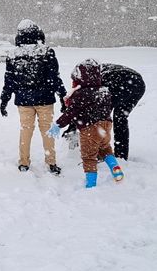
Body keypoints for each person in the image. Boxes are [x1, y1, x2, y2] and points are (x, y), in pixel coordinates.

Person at [0, 20, 66, 174]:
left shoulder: (13, 54)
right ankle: (51, 163)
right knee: (48, 131)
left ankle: (24, 162)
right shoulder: (46, 51)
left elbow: (9, 80)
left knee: (26, 131)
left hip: (24, 100)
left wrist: (4, 100)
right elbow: (54, 78)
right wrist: (62, 96)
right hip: (45, 99)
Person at [50, 59, 122, 188]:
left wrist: (58, 124)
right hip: (106, 126)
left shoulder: (80, 94)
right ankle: (116, 170)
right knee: (105, 148)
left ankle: (91, 184)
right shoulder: (104, 91)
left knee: (89, 156)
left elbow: (70, 113)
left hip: (90, 129)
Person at [99, 63, 145, 160]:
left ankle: (102, 151)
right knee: (120, 117)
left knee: (103, 116)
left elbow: (84, 106)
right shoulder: (95, 71)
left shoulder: (92, 78)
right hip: (138, 84)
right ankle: (121, 155)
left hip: (123, 83)